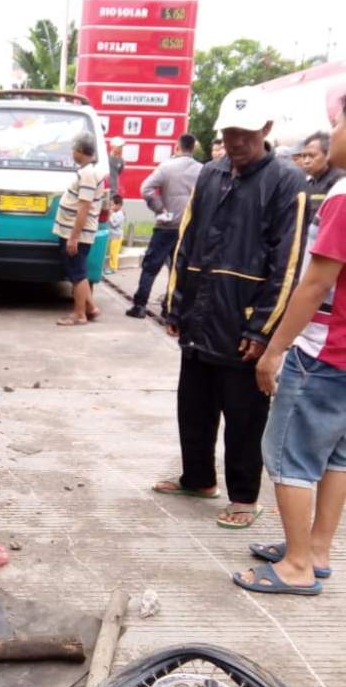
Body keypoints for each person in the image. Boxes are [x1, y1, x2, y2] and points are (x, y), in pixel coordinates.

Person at [154, 86, 308, 529]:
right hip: (201, 312)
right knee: (194, 404)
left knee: (244, 413)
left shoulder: (286, 181)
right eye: (229, 133)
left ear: (265, 129)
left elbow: (288, 262)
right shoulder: (211, 174)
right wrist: (176, 303)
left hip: (244, 320)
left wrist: (263, 329)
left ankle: (244, 496)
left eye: (244, 133)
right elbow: (187, 240)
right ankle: (198, 478)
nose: (236, 141)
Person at [232, 97, 346, 595]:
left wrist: (277, 347)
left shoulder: (343, 196)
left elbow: (317, 283)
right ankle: (315, 550)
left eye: (338, 123)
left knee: (287, 456)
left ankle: (297, 566)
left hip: (323, 353)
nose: (332, 132)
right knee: (337, 458)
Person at [126, 133, 202, 319]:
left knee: (151, 267)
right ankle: (170, 309)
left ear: (177, 147)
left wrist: (160, 209)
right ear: (193, 149)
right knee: (179, 269)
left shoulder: (166, 167)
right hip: (188, 228)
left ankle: (140, 305)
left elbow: (146, 188)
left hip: (166, 226)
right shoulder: (202, 170)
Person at [53, 133, 105, 326]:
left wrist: (74, 238)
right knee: (77, 271)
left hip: (77, 234)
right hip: (72, 232)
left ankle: (79, 314)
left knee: (78, 274)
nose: (72, 152)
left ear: (81, 151)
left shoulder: (88, 174)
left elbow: (84, 207)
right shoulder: (87, 171)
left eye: (74, 149)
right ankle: (91, 308)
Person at [300, 129, 345, 215]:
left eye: (311, 156)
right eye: (304, 156)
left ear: (327, 155)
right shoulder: (308, 182)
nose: (306, 161)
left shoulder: (339, 181)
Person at [106, 195, 125, 272]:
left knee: (114, 252)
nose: (111, 207)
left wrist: (110, 216)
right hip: (113, 236)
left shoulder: (120, 214)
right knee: (111, 252)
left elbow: (114, 224)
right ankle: (111, 266)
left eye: (113, 205)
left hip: (117, 236)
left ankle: (113, 268)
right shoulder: (115, 213)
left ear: (119, 205)